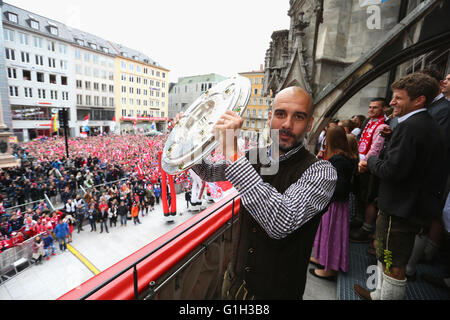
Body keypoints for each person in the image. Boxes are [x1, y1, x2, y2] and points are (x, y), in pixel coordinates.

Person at [184, 86, 337, 300]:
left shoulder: (322, 172)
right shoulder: (257, 156)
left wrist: (233, 153)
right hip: (234, 281)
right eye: (280, 114)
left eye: (299, 116)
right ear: (269, 117)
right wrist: (186, 138)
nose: (287, 124)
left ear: (310, 124)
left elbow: (281, 222)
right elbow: (208, 171)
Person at [354, 72, 447, 300]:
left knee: (392, 262)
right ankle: (378, 293)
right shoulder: (423, 124)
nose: (392, 103)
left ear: (419, 100)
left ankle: (384, 296)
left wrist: (370, 161)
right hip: (410, 206)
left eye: (398, 98)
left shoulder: (411, 127)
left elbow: (392, 170)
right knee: (389, 257)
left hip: (399, 208)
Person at [310, 126, 355, 280]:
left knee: (330, 235)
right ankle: (322, 259)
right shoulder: (345, 157)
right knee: (326, 234)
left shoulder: (339, 160)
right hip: (335, 204)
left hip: (333, 205)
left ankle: (329, 269)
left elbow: (339, 187)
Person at [350, 98, 389, 242]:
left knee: (369, 197)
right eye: (370, 107)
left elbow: (376, 147)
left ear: (384, 109)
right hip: (359, 161)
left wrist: (365, 163)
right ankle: (359, 218)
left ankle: (366, 228)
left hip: (368, 166)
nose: (371, 110)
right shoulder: (368, 122)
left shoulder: (381, 125)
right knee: (360, 193)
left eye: (375, 107)